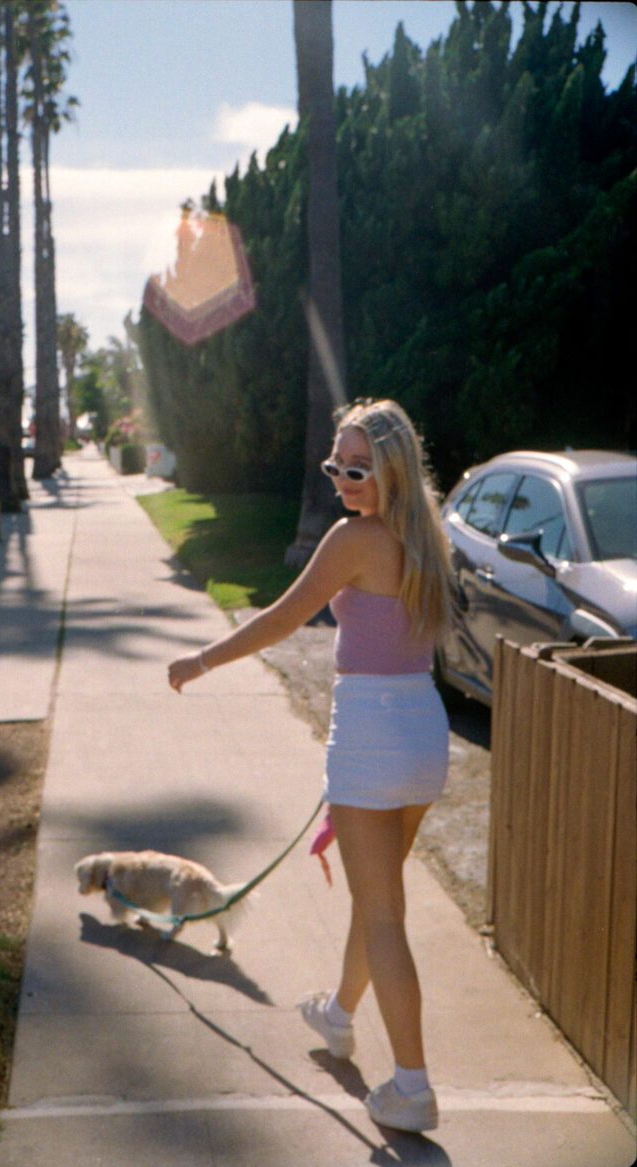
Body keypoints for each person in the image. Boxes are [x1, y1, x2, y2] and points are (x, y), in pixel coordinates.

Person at [168, 398, 452, 1133]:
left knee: (384, 912)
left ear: (390, 469)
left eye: (357, 468)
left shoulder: (356, 538)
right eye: (336, 465)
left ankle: (413, 1088)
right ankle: (338, 1012)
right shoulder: (429, 534)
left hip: (371, 731)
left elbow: (281, 617)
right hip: (423, 731)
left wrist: (200, 660)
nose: (343, 480)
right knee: (377, 896)